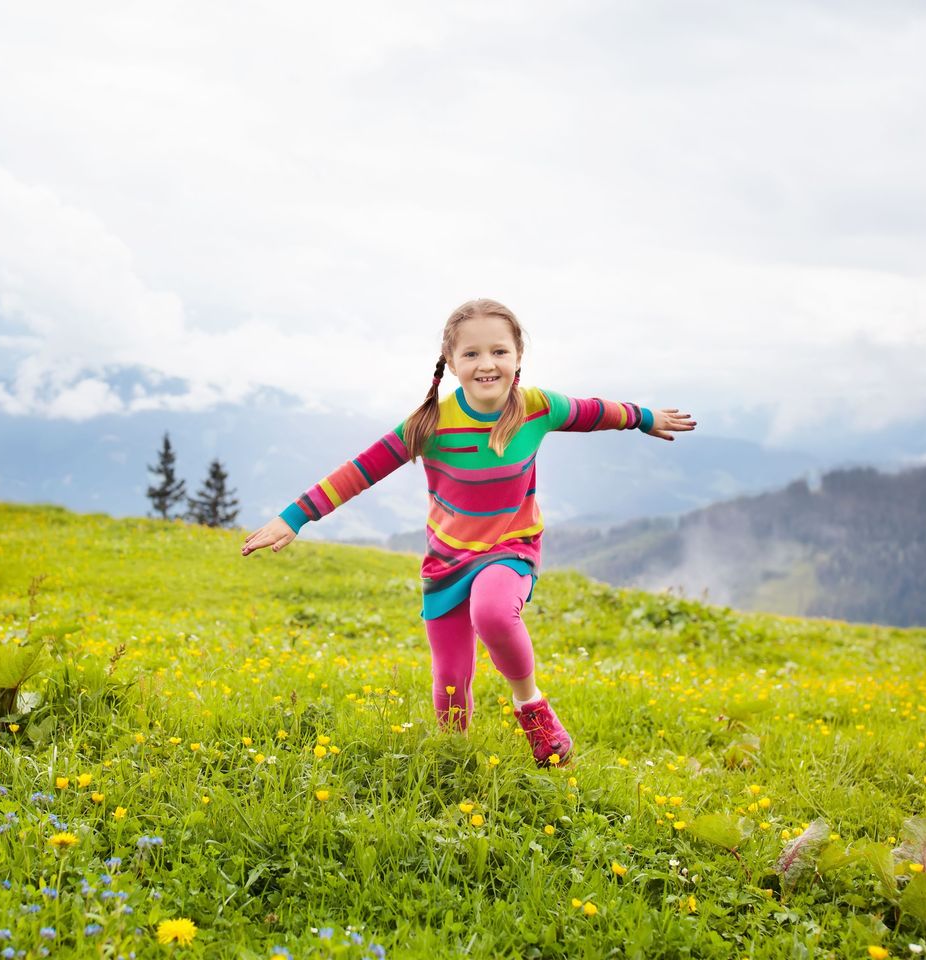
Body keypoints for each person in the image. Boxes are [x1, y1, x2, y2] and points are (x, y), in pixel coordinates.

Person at [241, 299, 696, 766]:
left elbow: (594, 411)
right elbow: (360, 471)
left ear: (518, 357)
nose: (487, 364)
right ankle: (453, 762)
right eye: (472, 354)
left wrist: (645, 418)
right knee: (451, 681)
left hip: (511, 547)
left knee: (495, 612)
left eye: (499, 351)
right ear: (452, 363)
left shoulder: (538, 408)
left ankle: (531, 708)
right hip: (446, 561)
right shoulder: (430, 424)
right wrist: (293, 518)